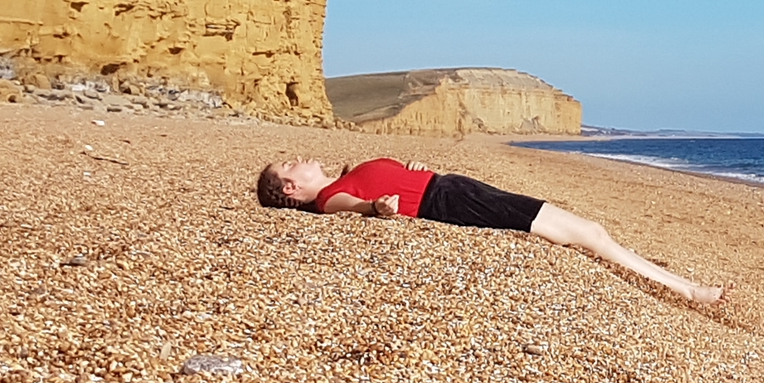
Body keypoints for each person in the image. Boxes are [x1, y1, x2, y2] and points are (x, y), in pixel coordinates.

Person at [256, 156, 723, 304]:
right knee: (587, 232)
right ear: (291, 187)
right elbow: (360, 207)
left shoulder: (339, 177)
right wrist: (378, 205)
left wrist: (408, 170)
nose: (300, 159)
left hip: (448, 188)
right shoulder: (329, 198)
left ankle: (681, 285)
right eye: (291, 165)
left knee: (588, 231)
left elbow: (377, 182)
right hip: (451, 201)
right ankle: (686, 290)